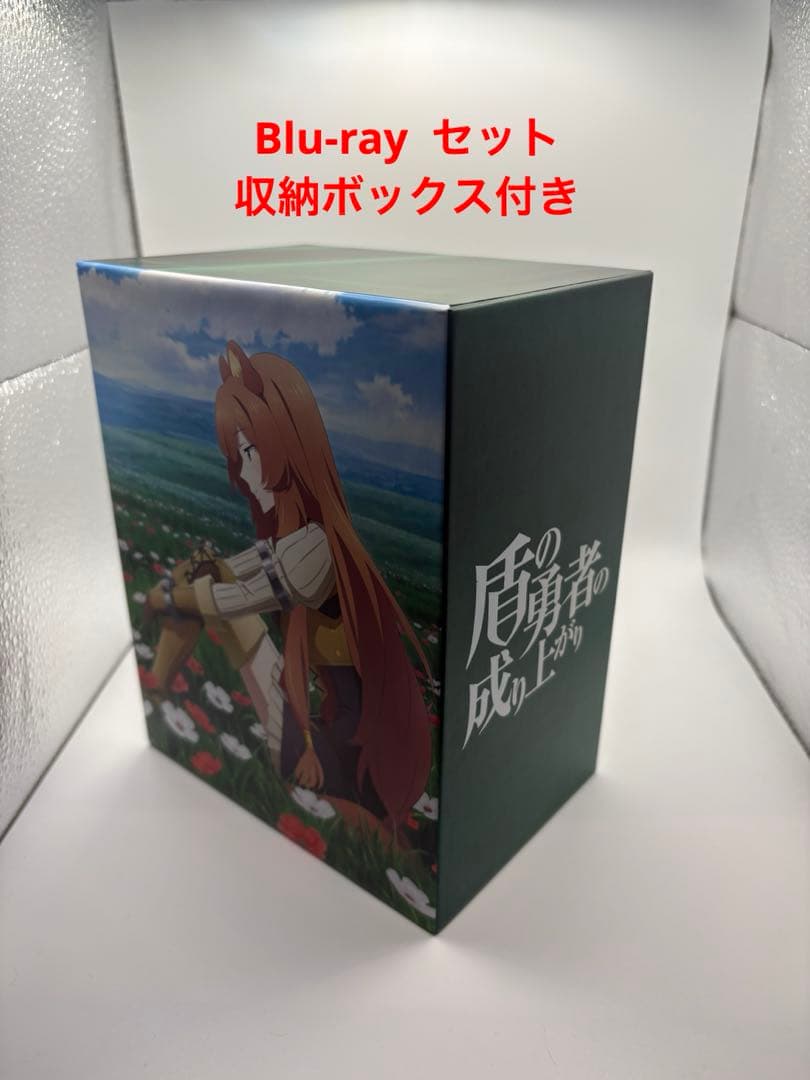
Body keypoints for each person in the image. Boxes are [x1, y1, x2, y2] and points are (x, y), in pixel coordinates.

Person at [145, 340, 432, 830]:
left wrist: (168, 596)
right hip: (327, 735)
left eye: (251, 451)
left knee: (214, 600)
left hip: (341, 761)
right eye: (237, 455)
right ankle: (157, 692)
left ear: (289, 446)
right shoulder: (302, 539)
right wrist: (202, 572)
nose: (244, 473)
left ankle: (157, 692)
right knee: (201, 573)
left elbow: (234, 599)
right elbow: (245, 566)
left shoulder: (315, 550)